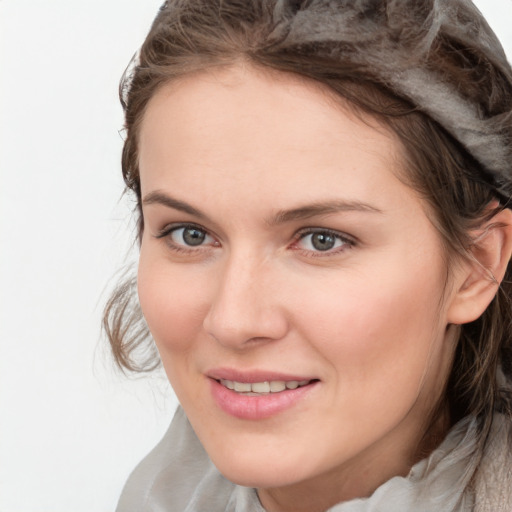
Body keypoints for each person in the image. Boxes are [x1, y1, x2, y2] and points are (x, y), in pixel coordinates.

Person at [104, 1, 512, 510]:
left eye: (322, 239)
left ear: (476, 266)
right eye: (190, 234)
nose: (234, 321)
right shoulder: (159, 494)